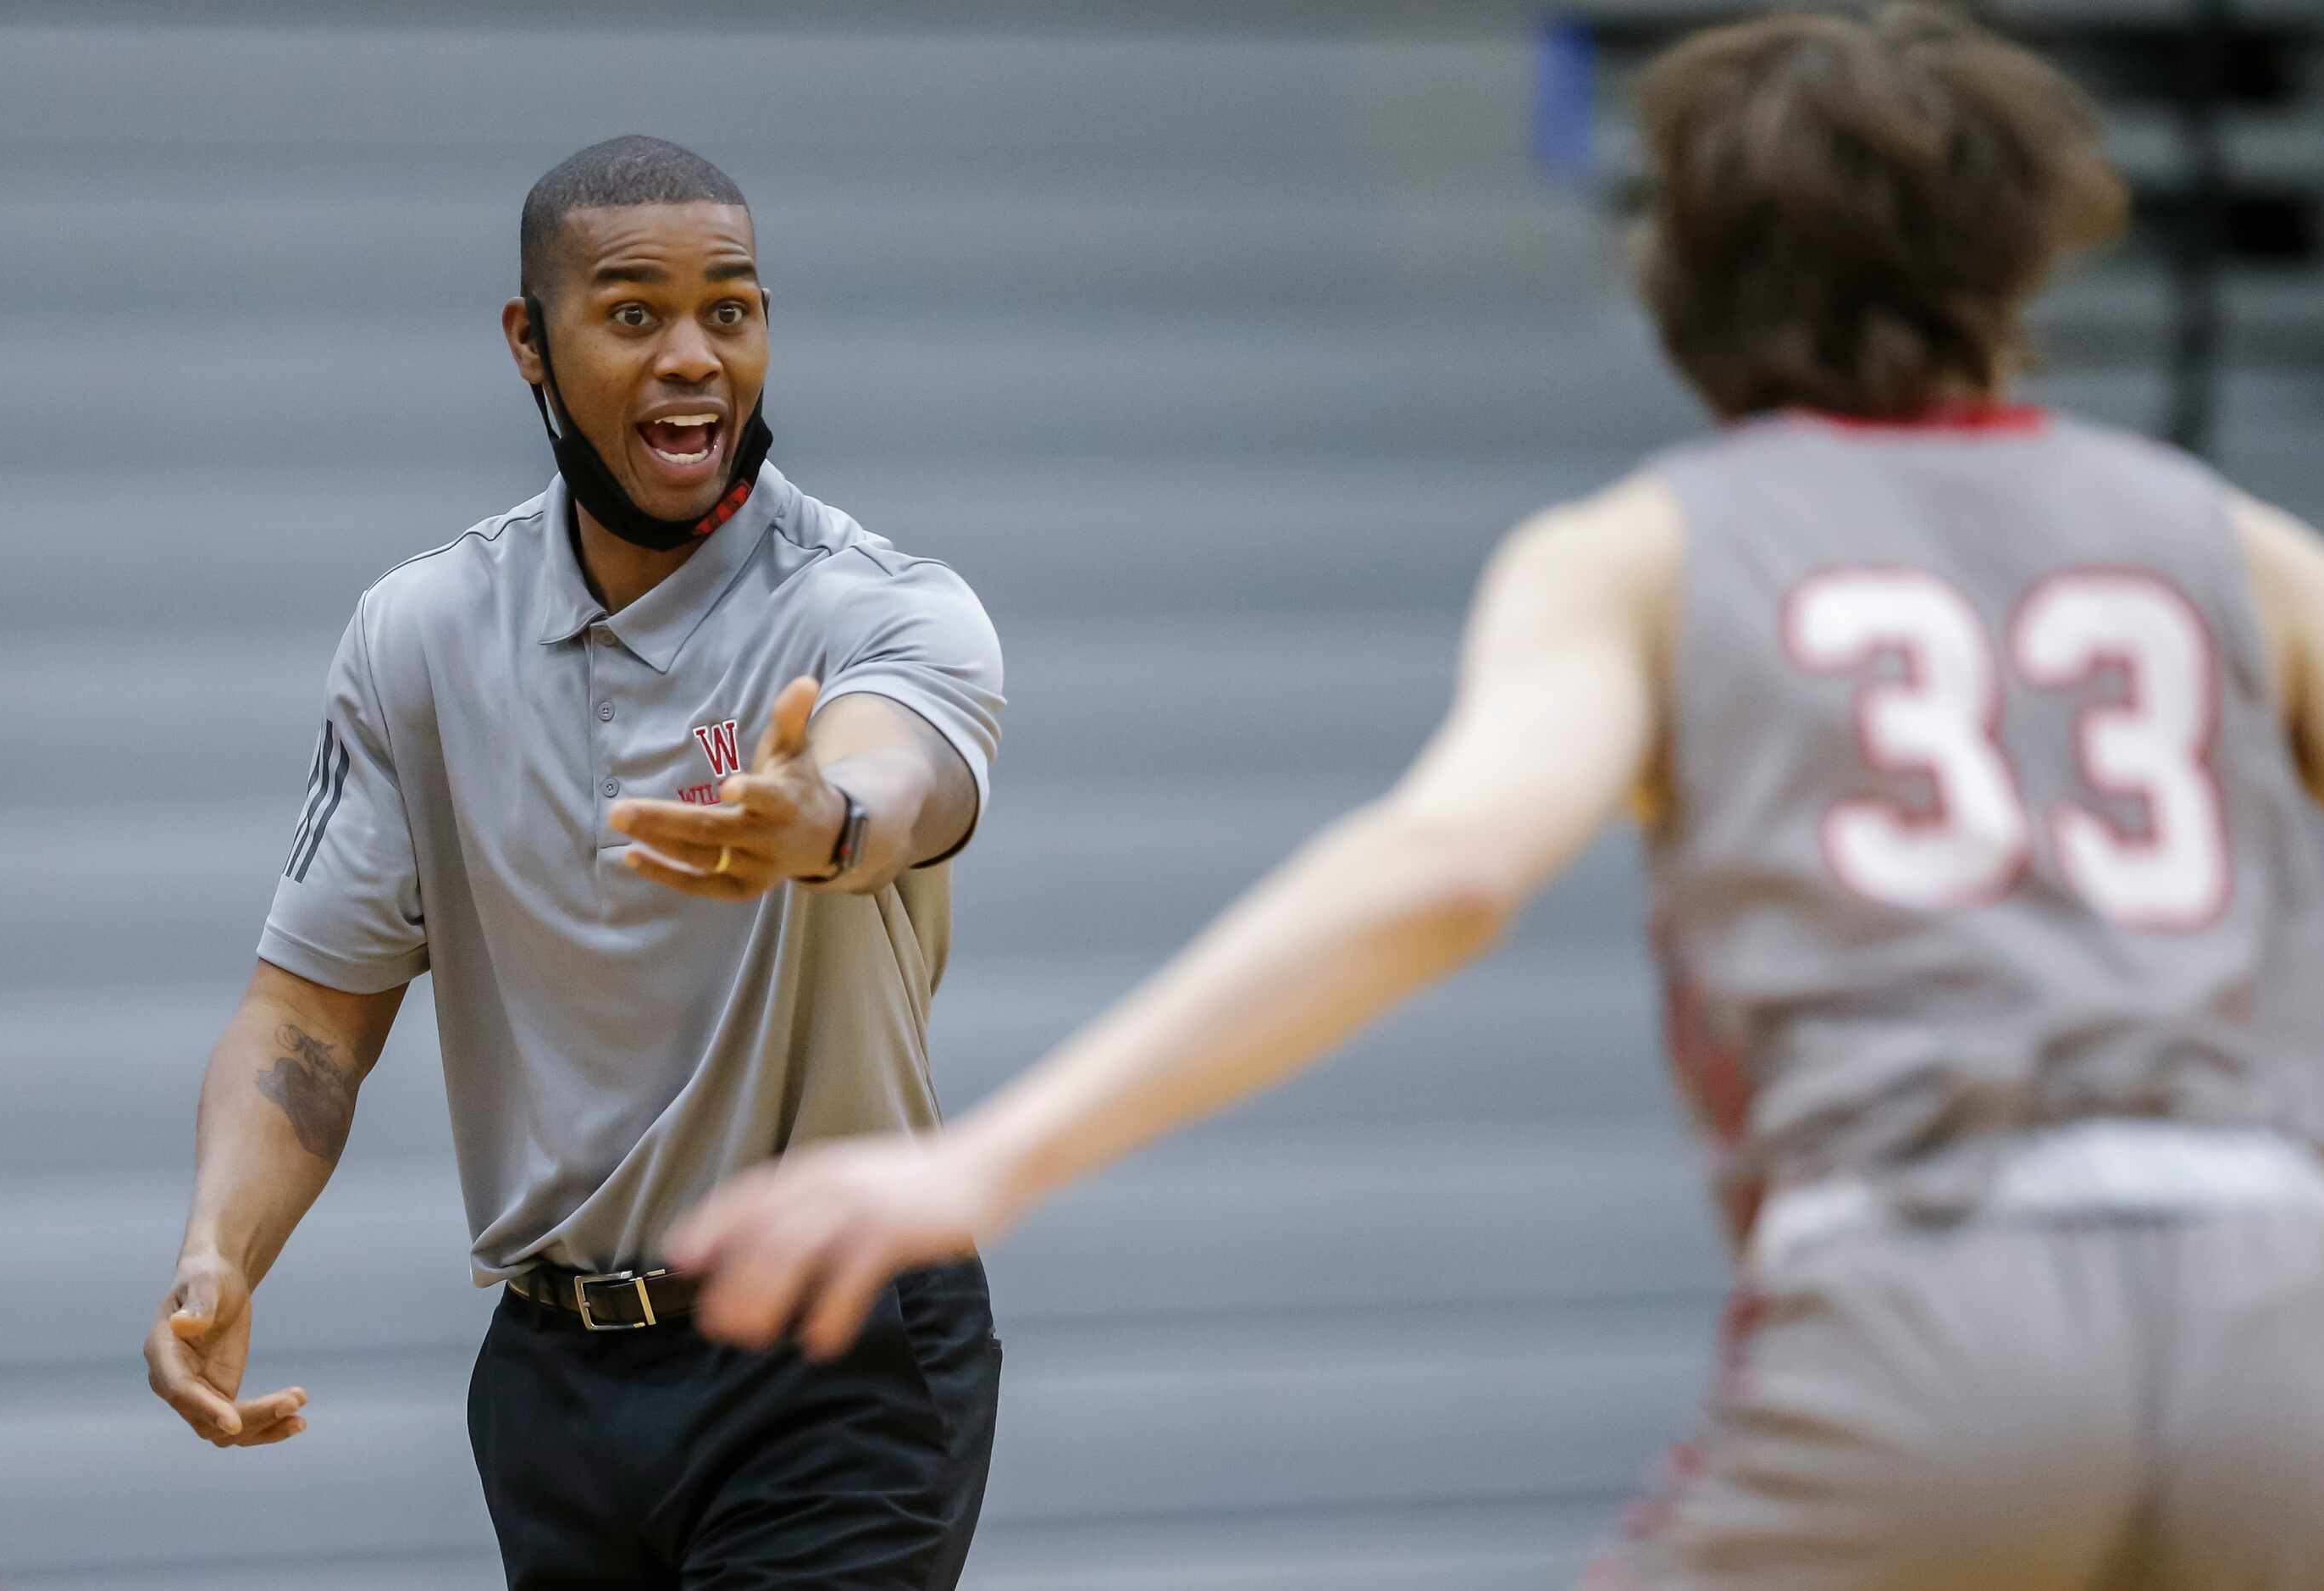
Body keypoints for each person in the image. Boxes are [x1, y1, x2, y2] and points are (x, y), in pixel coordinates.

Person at [668, 10, 2324, 1586]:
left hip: (1932, 1305)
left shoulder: (1649, 549)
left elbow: (1448, 867)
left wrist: (990, 1165)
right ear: (2019, 258)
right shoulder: (2226, 543)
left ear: (1678, 273)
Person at [141, 135, 1007, 1590]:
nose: (693, 355)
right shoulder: (422, 635)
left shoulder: (879, 609)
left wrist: (826, 818)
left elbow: (898, 771)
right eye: (633, 313)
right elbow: (305, 1020)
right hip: (554, 1371)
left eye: (730, 311)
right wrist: (220, 1247)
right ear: (528, 344)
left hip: (832, 1355)